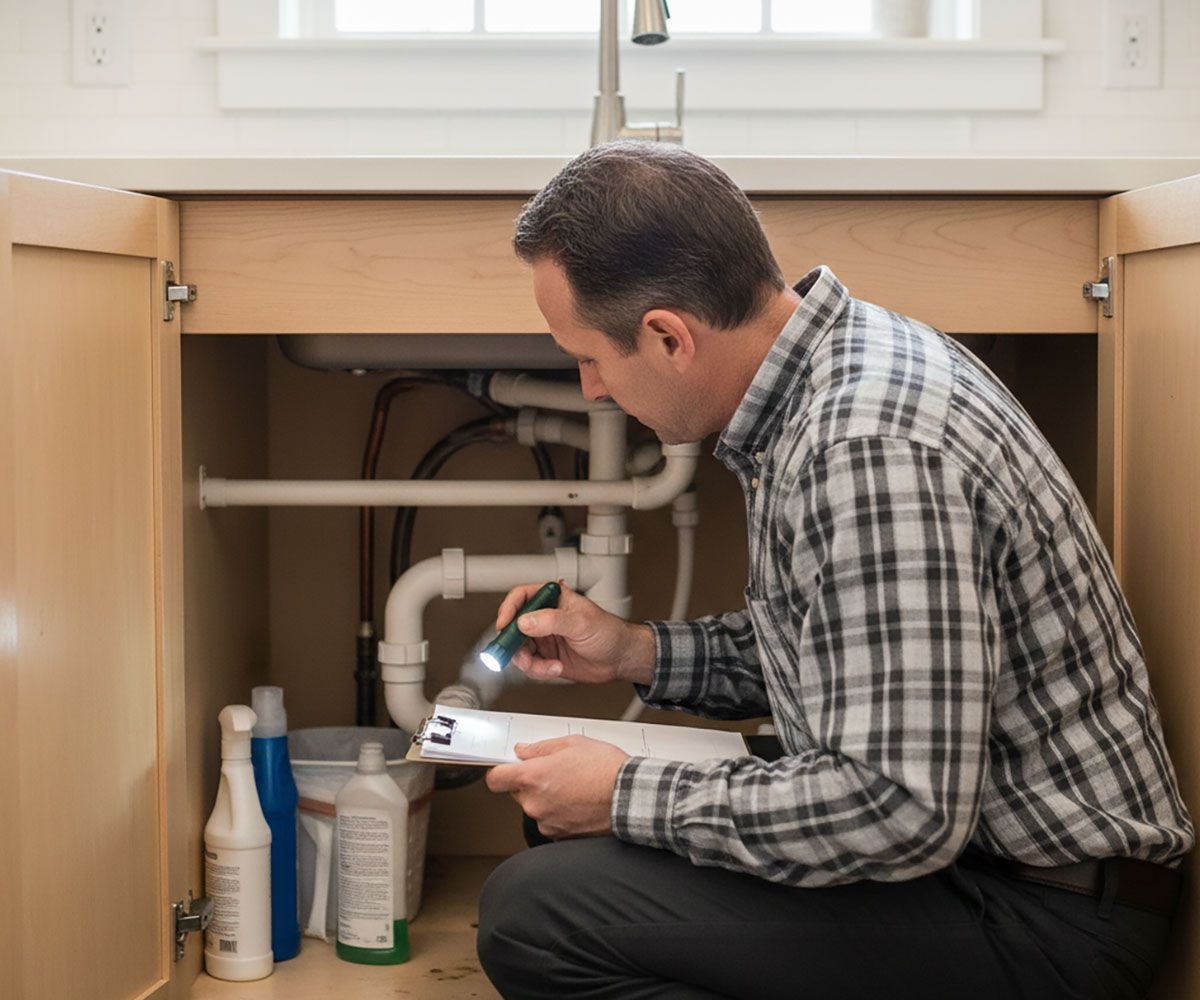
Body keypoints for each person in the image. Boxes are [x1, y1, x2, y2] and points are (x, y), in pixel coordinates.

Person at [475, 141, 1193, 1000]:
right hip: (982, 862)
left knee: (534, 916)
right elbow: (844, 646)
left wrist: (628, 792)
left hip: (1043, 922)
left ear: (668, 336)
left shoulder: (865, 448)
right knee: (558, 839)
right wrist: (634, 653)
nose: (589, 387)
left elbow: (899, 807)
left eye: (589, 355)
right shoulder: (832, 370)